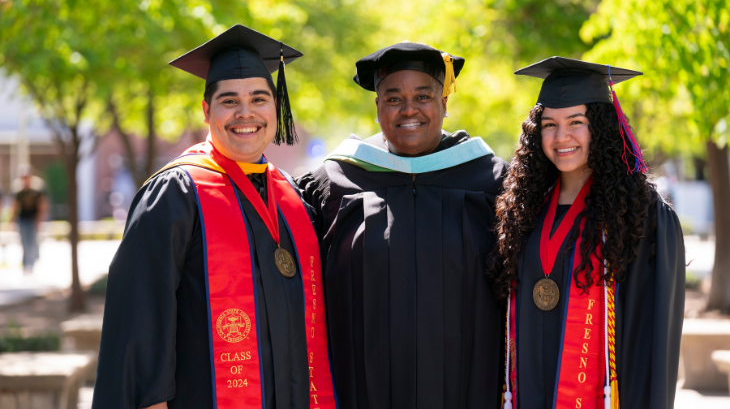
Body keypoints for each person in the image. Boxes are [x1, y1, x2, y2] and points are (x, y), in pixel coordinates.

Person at [92, 25, 337, 409]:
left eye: (259, 99)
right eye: (229, 101)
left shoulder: (292, 195)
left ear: (276, 107)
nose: (246, 113)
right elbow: (138, 323)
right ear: (207, 111)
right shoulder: (175, 193)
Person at [297, 42, 508, 408]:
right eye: (393, 99)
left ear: (444, 103)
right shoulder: (334, 183)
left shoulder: (493, 181)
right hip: (362, 388)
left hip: (468, 387)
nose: (409, 110)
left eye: (423, 96)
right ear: (377, 108)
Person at [488, 57, 685, 409]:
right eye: (549, 124)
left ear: (602, 126)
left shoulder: (642, 213)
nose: (561, 137)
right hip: (529, 389)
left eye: (576, 122)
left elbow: (652, 336)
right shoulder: (523, 210)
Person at [11, 165, 47, 274]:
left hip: (32, 218)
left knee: (32, 241)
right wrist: (12, 220)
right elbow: (15, 206)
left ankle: (30, 264)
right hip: (22, 219)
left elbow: (42, 205)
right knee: (24, 241)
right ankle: (26, 263)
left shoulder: (37, 190)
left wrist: (40, 219)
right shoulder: (19, 191)